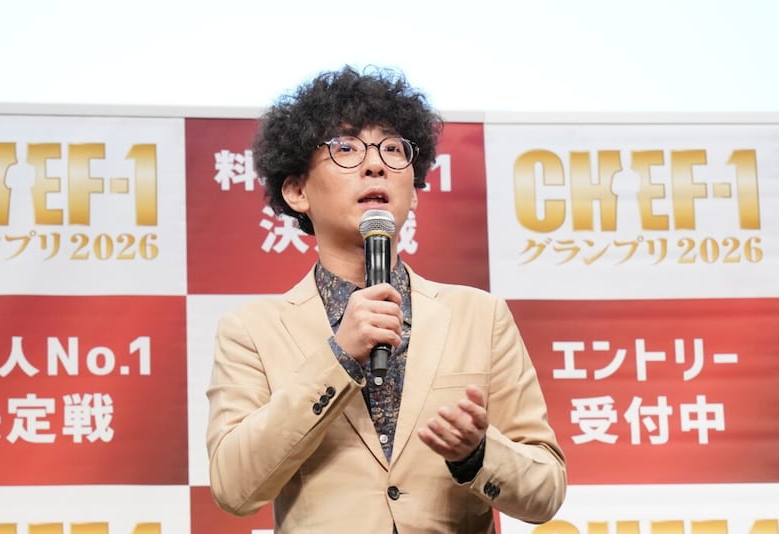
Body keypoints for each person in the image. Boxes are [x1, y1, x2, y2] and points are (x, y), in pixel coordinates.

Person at [205, 65, 567, 533]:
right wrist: (339, 357)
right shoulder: (251, 330)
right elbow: (234, 487)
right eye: (346, 148)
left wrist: (477, 454)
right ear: (296, 191)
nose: (375, 165)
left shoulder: (480, 315)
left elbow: (547, 490)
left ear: (413, 193)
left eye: (393, 149)